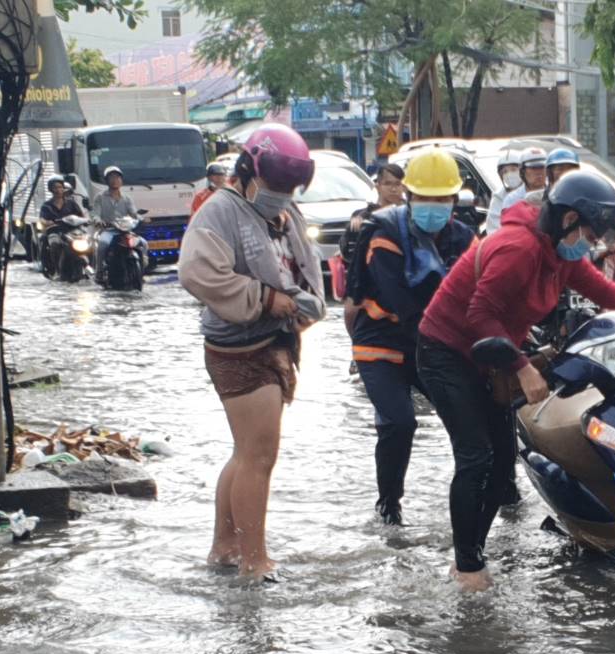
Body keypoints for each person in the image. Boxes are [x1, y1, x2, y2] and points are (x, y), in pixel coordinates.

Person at [416, 172, 615, 592]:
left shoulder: (560, 253)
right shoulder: (518, 249)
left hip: (491, 358)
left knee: (502, 466)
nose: (592, 244)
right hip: (445, 353)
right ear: (569, 218)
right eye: (590, 233)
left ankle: (472, 553)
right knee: (476, 458)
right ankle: (467, 566)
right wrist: (522, 366)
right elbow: (479, 315)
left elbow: (601, 288)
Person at [177, 124, 323, 581]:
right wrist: (265, 299)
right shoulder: (220, 211)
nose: (282, 196)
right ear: (247, 173)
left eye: (290, 189)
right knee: (259, 457)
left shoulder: (285, 213)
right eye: (277, 187)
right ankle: (254, 562)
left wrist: (299, 305)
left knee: (244, 453)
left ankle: (224, 547)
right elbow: (196, 272)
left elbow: (304, 267)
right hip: (239, 348)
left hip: (274, 341)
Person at [345, 149, 476, 526]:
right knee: (400, 422)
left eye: (442, 199)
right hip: (382, 342)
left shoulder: (464, 237)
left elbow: (479, 293)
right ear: (409, 197)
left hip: (432, 342)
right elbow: (400, 302)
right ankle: (389, 505)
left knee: (470, 414)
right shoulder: (384, 233)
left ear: (454, 199)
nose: (434, 207)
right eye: (425, 199)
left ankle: (489, 493)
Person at [338, 163, 408, 369]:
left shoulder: (410, 213)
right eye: (388, 184)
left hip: (400, 275)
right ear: (377, 185)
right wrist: (354, 229)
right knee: (351, 309)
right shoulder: (362, 216)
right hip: (367, 276)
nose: (394, 189)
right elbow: (346, 249)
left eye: (398, 184)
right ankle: (357, 346)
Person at [90, 166, 147, 284]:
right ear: (107, 180)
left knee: (143, 243)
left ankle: (142, 270)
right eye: (112, 177)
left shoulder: (127, 198)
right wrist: (98, 220)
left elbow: (133, 213)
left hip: (125, 230)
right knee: (102, 245)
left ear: (121, 180)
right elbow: (95, 214)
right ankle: (99, 272)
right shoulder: (100, 197)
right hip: (108, 230)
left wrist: (142, 218)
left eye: (117, 177)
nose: (115, 180)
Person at [38, 174, 86, 277]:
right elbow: (42, 219)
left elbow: (81, 215)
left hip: (71, 232)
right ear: (51, 189)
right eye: (55, 187)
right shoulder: (47, 205)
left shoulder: (71, 203)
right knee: (54, 244)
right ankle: (56, 270)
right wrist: (48, 222)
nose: (58, 190)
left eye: (60, 187)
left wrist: (86, 220)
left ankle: (91, 267)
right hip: (55, 232)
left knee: (87, 243)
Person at [498, 147, 547, 215]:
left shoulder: (556, 193)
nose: (538, 172)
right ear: (522, 172)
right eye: (533, 168)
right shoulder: (511, 200)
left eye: (541, 167)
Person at [484, 149, 521, 234]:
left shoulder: (532, 191)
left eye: (513, 169)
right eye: (505, 171)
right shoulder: (499, 196)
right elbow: (493, 228)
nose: (509, 174)